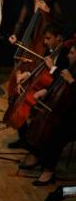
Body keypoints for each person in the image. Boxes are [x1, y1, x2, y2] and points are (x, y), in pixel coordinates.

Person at [21, 42, 76, 186]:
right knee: (37, 123)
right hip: (62, 111)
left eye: (72, 53)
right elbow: (59, 86)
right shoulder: (71, 68)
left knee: (55, 134)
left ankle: (48, 172)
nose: (68, 56)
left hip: (73, 117)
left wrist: (71, 81)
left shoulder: (72, 73)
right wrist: (46, 91)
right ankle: (37, 156)